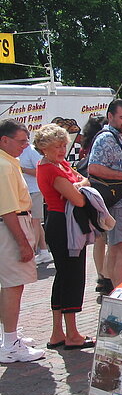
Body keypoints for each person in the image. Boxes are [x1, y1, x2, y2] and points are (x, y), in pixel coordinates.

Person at [34, 124, 96, 351]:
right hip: (63, 223)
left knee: (63, 275)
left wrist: (78, 184)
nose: (62, 149)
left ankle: (58, 332)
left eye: (62, 145)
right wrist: (80, 185)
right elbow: (79, 199)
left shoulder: (58, 164)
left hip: (64, 222)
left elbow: (83, 180)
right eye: (56, 146)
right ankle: (72, 334)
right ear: (44, 148)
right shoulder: (50, 168)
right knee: (72, 275)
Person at [0, 120, 45, 363]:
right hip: (11, 227)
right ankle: (9, 344)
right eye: (21, 141)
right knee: (13, 285)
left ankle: (8, 336)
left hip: (12, 225)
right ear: (4, 140)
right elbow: (7, 210)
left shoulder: (8, 163)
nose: (25, 146)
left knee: (8, 285)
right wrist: (23, 243)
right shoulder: (5, 166)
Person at [87, 99, 122, 288]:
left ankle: (113, 290)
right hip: (121, 203)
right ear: (110, 117)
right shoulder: (106, 138)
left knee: (118, 248)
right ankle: (121, 294)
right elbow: (93, 168)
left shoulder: (117, 136)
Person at [79, 117, 112, 293]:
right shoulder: (103, 145)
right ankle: (106, 276)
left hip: (91, 197)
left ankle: (101, 275)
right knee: (110, 240)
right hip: (103, 196)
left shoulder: (86, 148)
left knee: (100, 239)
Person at [18, 133, 52, 265]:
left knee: (34, 222)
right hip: (26, 192)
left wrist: (22, 170)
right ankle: (43, 252)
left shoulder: (31, 151)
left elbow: (40, 171)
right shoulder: (20, 152)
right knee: (35, 222)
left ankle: (33, 253)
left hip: (35, 191)